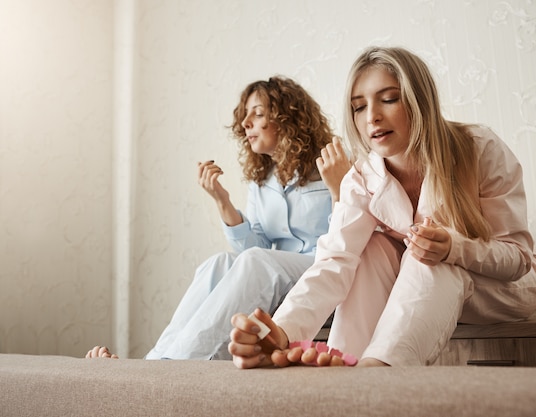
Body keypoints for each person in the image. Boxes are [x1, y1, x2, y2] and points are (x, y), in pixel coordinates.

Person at [228, 46, 536, 369]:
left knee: (428, 254)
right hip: (422, 292)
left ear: (418, 99)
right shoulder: (362, 177)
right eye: (358, 107)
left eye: (389, 99)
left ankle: (378, 371)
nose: (372, 118)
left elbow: (518, 259)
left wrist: (454, 248)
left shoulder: (479, 148)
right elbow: (334, 260)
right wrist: (281, 331)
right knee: (372, 248)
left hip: (500, 289)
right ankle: (345, 362)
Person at [86, 76, 351, 360]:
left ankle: (179, 364)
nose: (246, 123)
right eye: (245, 115)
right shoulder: (263, 182)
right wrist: (222, 201)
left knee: (258, 261)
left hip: (323, 267)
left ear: (288, 119)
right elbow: (252, 246)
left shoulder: (333, 164)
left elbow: (349, 230)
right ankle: (155, 360)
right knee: (219, 263)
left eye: (258, 114)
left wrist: (339, 188)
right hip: (280, 272)